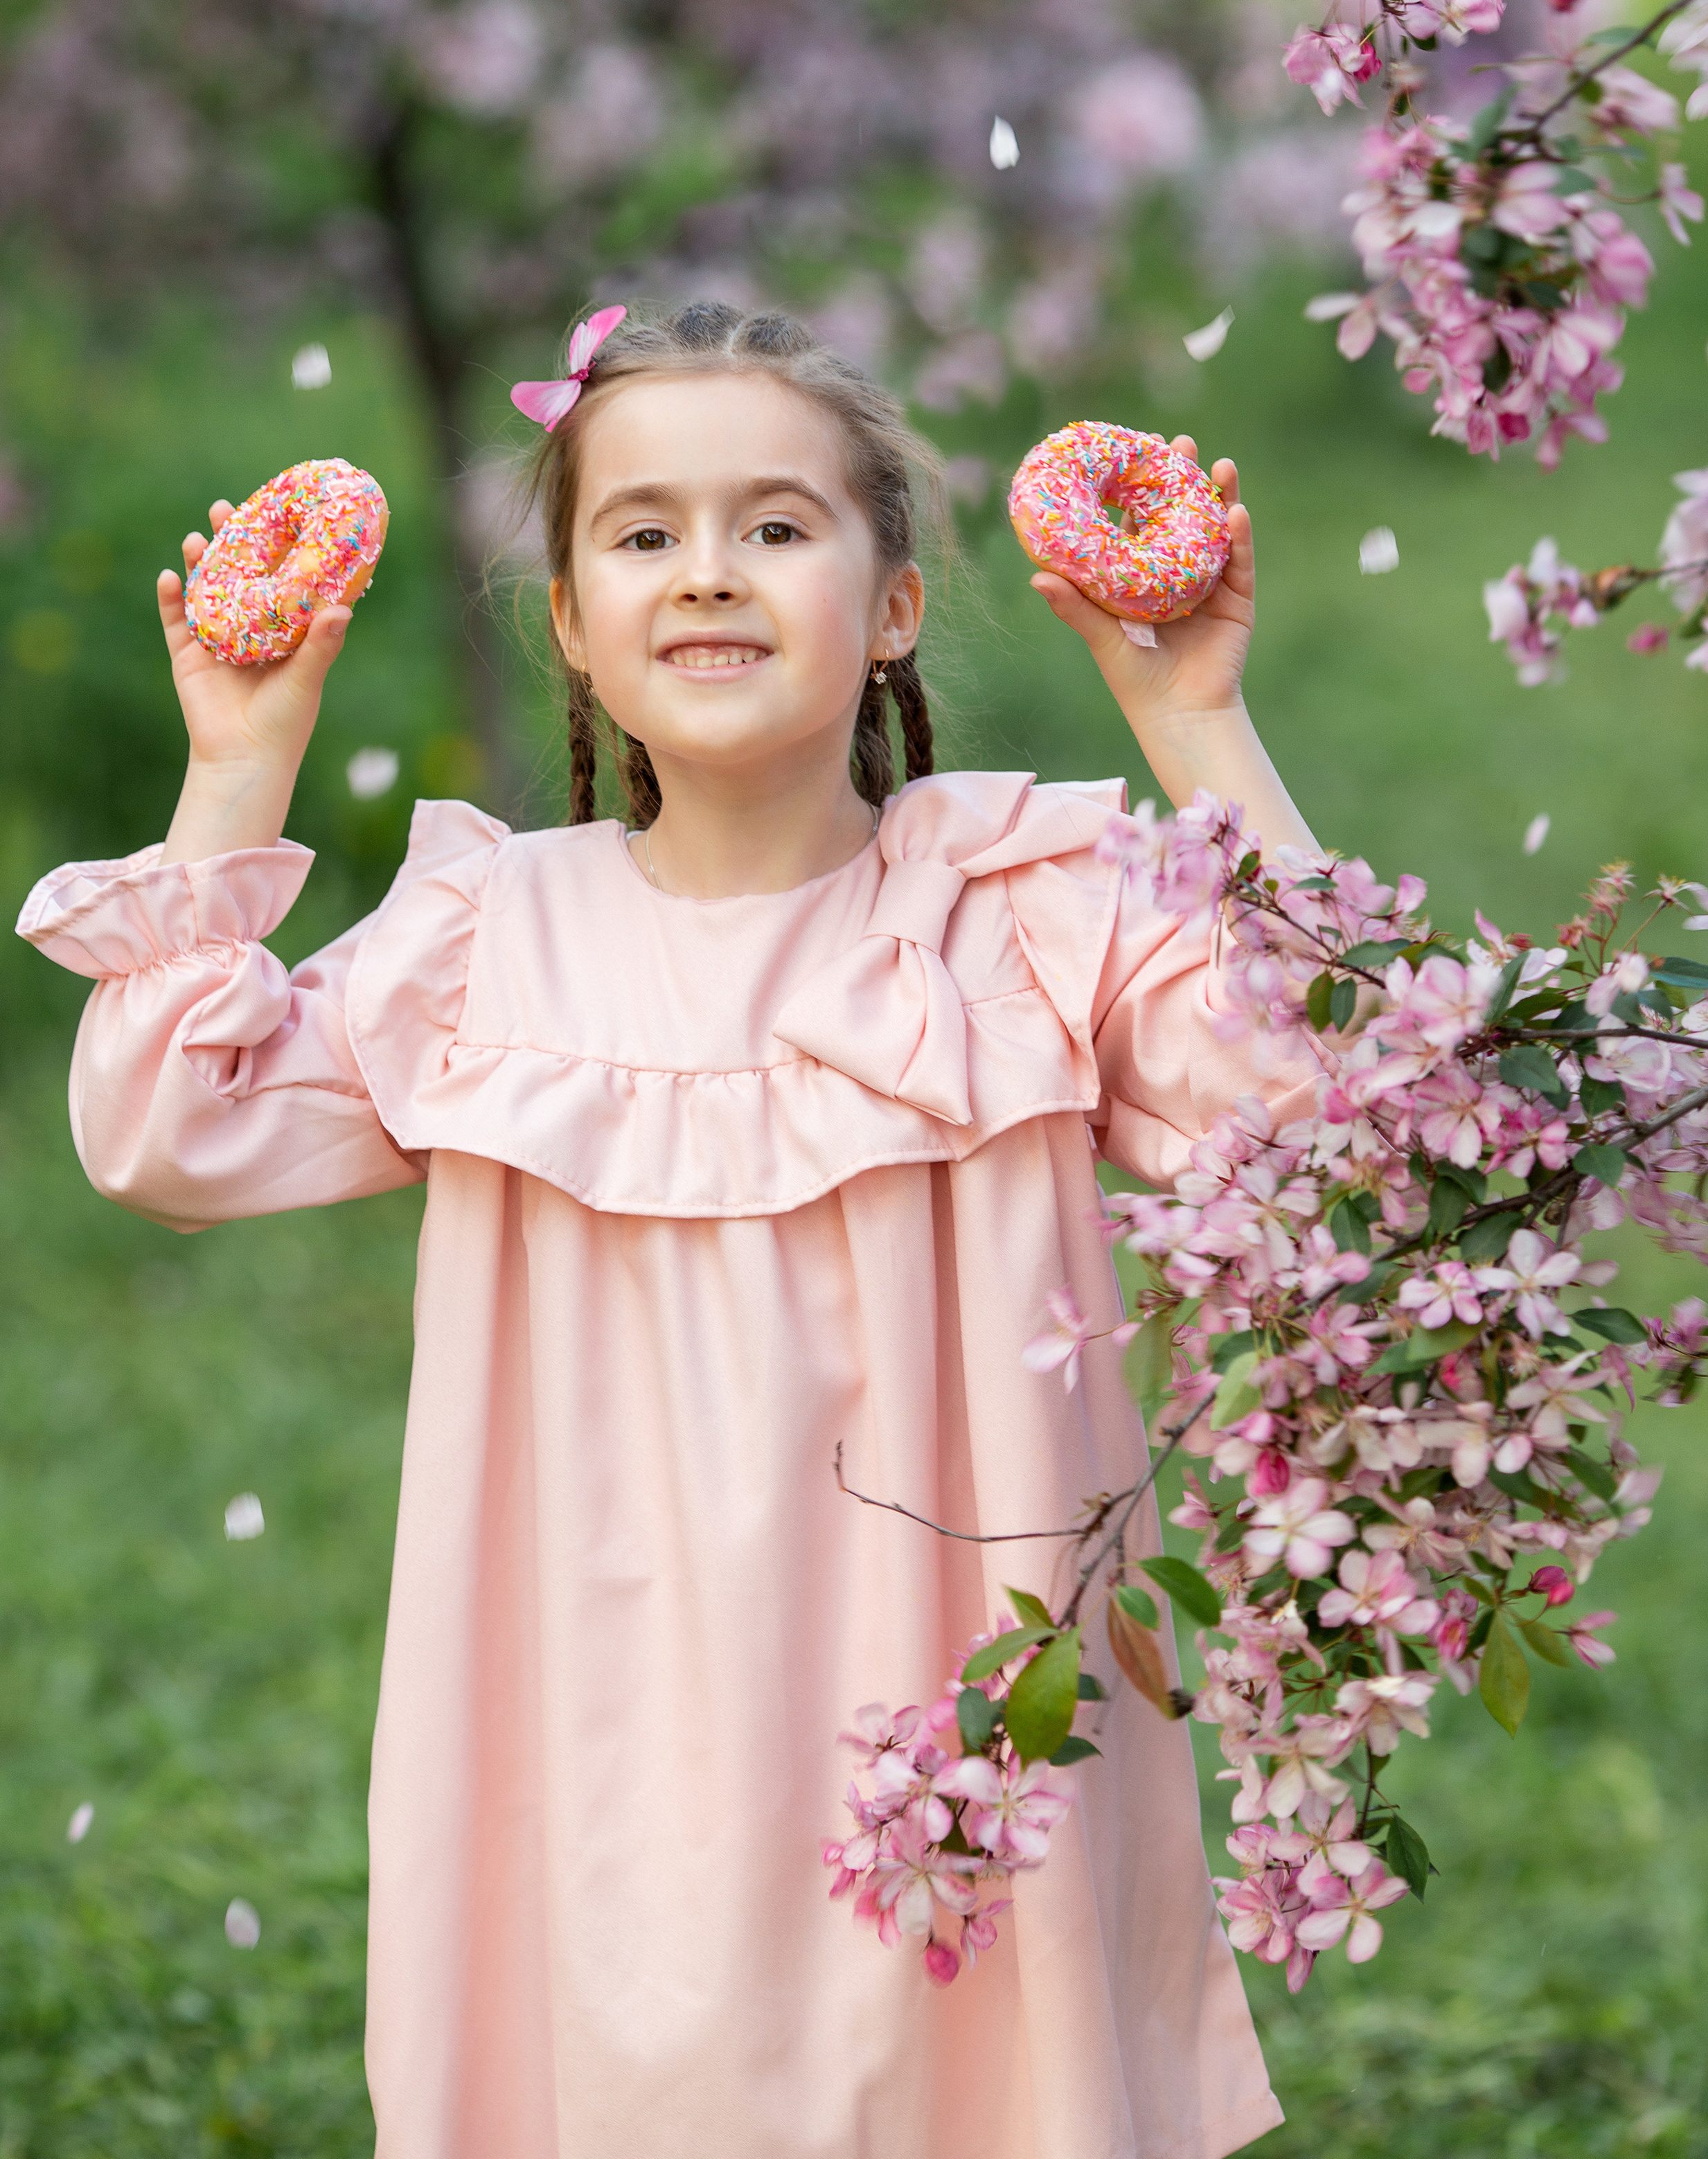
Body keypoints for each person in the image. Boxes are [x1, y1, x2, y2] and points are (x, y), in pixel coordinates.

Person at [19, 302, 1319, 2159]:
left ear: (890, 607)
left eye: (778, 526)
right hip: (598, 1705)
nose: (709, 572)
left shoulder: (1028, 910)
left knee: (964, 2082)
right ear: (570, 619)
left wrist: (1197, 725)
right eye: (642, 533)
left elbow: (1322, 1094)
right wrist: (239, 765)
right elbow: (166, 1125)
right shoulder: (493, 938)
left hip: (963, 1701)